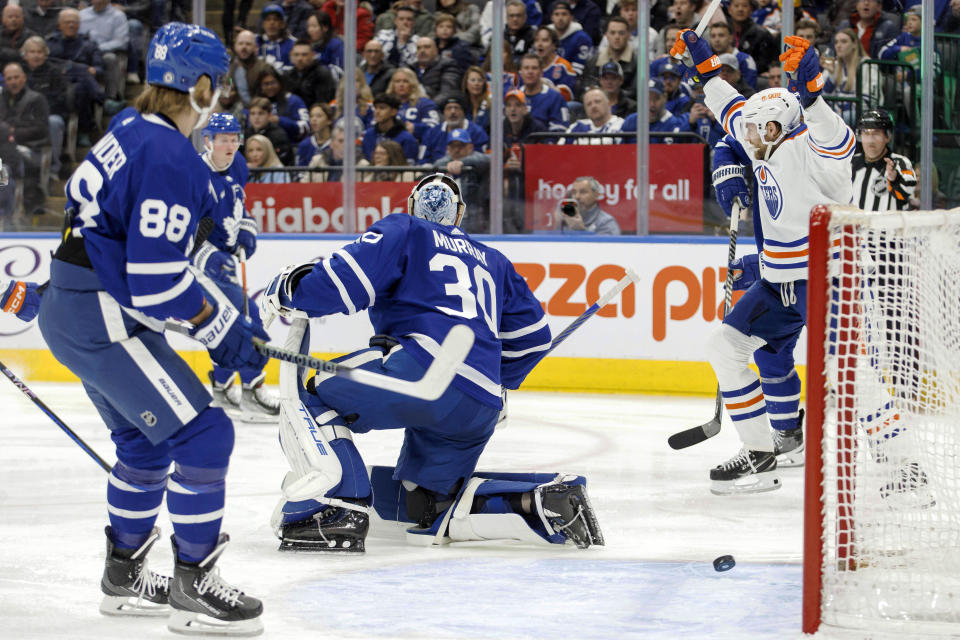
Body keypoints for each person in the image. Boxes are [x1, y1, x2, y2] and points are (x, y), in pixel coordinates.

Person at [38, 23, 264, 635]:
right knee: (206, 436)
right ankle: (193, 584)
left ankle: (123, 577)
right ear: (200, 85)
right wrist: (224, 329)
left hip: (75, 308)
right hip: (105, 318)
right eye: (216, 84)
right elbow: (157, 280)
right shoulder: (169, 153)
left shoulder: (130, 129)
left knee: (143, 445)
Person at [259, 173, 603, 552]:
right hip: (480, 405)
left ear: (410, 205)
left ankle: (339, 507)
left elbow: (345, 281)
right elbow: (533, 341)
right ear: (460, 216)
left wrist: (291, 288)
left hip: (420, 371)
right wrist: (500, 383)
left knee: (311, 396)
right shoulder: (495, 261)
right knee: (426, 505)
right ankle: (537, 501)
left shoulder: (404, 228)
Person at [671, 30, 854, 493]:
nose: (745, 133)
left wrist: (812, 97)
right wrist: (705, 65)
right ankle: (760, 452)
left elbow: (838, 140)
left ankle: (900, 469)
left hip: (825, 280)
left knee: (856, 375)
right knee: (724, 346)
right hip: (777, 286)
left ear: (776, 127)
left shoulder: (813, 150)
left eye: (755, 128)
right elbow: (728, 107)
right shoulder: (762, 140)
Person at [197, 113, 281, 422]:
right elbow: (183, 227)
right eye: (224, 139)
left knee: (225, 324)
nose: (231, 145)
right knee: (246, 318)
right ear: (208, 141)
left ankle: (221, 387)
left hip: (223, 258)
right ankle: (253, 388)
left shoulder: (239, 165)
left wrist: (245, 228)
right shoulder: (194, 174)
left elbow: (238, 203)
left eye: (235, 138)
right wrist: (208, 256)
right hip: (196, 260)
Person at [0, 61, 50, 216]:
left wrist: (12, 132)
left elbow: (41, 129)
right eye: (9, 79)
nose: (13, 82)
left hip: (29, 148)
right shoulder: (0, 99)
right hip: (4, 149)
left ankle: (16, 212)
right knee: (4, 170)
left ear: (24, 78)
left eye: (16, 77)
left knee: (8, 170)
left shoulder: (37, 99)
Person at [852, 108, 917, 211]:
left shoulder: (900, 163)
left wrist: (895, 179)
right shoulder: (851, 163)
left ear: (888, 136)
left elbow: (908, 192)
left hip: (886, 227)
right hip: (855, 226)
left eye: (876, 133)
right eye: (866, 133)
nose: (870, 140)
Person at [434, 128, 490, 233]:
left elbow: (489, 159)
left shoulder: (478, 160)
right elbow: (436, 165)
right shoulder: (444, 163)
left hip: (476, 219)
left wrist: (463, 163)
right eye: (453, 146)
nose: (456, 149)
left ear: (470, 147)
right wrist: (448, 166)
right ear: (447, 148)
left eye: (461, 146)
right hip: (447, 220)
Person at [78, 0, 128, 110]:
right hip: (83, 53)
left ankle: (111, 98)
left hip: (104, 53)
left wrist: (97, 49)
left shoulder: (118, 16)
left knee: (109, 58)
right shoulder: (81, 15)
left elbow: (121, 42)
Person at [419, 93, 489, 165]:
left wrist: (462, 163)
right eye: (449, 108)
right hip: (438, 174)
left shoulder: (477, 132)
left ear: (463, 112)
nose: (453, 112)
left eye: (456, 108)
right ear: (444, 112)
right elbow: (423, 161)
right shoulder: (432, 133)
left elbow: (484, 160)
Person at [255, 66, 310, 143]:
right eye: (266, 84)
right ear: (260, 86)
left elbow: (306, 127)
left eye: (273, 83)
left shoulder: (293, 100)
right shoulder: (255, 104)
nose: (270, 87)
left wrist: (280, 121)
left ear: (280, 83)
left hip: (290, 145)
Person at [518, 53, 569, 133]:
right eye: (526, 68)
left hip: (543, 144)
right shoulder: (514, 97)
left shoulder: (555, 97)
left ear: (541, 72)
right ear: (521, 73)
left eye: (534, 68)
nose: (530, 72)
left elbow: (560, 130)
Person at [362, 92, 419, 162]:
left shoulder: (407, 138)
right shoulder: (369, 135)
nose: (377, 111)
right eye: (375, 108)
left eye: (382, 108)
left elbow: (409, 165)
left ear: (394, 111)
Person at [386, 67, 439, 141]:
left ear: (412, 84)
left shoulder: (425, 103)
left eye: (405, 81)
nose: (401, 85)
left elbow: (434, 126)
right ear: (393, 85)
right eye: (397, 81)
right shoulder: (385, 105)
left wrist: (415, 128)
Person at [555, 175, 620, 235]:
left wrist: (581, 231)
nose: (577, 196)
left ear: (596, 195)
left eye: (583, 192)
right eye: (574, 192)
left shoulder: (607, 222)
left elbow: (606, 246)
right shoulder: (564, 218)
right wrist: (557, 223)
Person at [726, 0, 778, 73]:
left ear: (751, 10)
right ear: (729, 10)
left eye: (744, 6)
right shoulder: (722, 32)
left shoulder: (762, 34)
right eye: (736, 6)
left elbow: (765, 63)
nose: (740, 9)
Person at [285, 38, 336, 108]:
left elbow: (323, 104)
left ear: (313, 55)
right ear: (291, 55)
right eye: (296, 55)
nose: (300, 58)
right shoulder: (289, 75)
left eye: (304, 55)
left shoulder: (321, 74)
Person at [244, 96, 294, 165]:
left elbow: (282, 160)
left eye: (261, 113)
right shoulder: (245, 133)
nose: (256, 117)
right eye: (252, 114)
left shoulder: (279, 135)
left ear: (270, 115)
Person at [707, 21, 758, 89]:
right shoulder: (709, 61)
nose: (717, 40)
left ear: (731, 38)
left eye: (721, 35)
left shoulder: (745, 60)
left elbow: (749, 89)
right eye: (713, 36)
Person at [548, 1, 593, 75]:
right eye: (556, 14)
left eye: (564, 14)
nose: (560, 18)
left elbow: (577, 71)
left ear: (571, 17)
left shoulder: (582, 39)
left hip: (571, 79)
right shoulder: (545, 36)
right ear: (551, 17)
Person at [533, 26, 576, 102]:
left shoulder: (564, 66)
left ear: (554, 45)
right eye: (537, 40)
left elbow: (569, 96)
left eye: (545, 40)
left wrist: (548, 87)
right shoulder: (529, 66)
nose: (539, 44)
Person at [413, 36, 460, 101]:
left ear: (436, 50)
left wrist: (429, 106)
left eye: (427, 47)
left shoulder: (448, 65)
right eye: (419, 48)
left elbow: (447, 93)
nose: (422, 51)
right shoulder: (411, 68)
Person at [257, 3, 297, 74]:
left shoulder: (293, 44)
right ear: (263, 24)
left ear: (282, 24)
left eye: (275, 19)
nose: (272, 23)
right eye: (268, 19)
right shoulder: (255, 42)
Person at [376, 4, 419, 68]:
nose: (405, 22)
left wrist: (403, 42)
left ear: (413, 23)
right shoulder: (383, 35)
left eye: (409, 19)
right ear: (396, 21)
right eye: (401, 19)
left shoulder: (417, 41)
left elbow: (414, 66)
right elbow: (375, 58)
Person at [297, 102, 334, 166]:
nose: (314, 119)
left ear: (329, 120)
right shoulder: (305, 144)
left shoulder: (336, 143)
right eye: (311, 116)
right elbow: (299, 171)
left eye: (319, 116)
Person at [462, 66, 491, 131]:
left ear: (484, 84)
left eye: (480, 80)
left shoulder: (490, 106)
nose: (476, 83)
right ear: (466, 84)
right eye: (473, 80)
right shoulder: (462, 105)